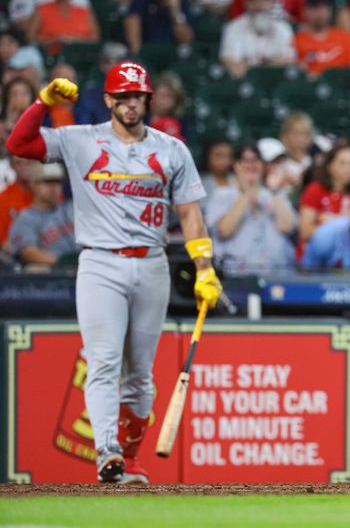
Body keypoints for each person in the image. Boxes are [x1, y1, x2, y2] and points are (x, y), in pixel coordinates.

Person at [5, 62, 222, 484]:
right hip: (100, 261)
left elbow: (190, 215)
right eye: (121, 97)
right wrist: (43, 102)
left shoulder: (171, 149)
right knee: (103, 362)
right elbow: (19, 143)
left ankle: (133, 458)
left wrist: (204, 269)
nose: (128, 103)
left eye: (135, 96)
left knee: (140, 374)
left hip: (152, 263)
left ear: (147, 99)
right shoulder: (81, 139)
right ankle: (108, 454)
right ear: (108, 100)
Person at [204, 144, 296, 275]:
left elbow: (287, 227)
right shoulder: (222, 194)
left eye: (256, 160)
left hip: (276, 274)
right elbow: (224, 230)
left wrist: (273, 191)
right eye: (246, 160)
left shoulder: (273, 193)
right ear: (236, 165)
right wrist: (246, 193)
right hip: (236, 275)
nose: (252, 165)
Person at [219, 0, 296, 78]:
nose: (260, 4)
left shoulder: (283, 27)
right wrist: (269, 63)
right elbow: (231, 63)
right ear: (247, 4)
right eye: (254, 0)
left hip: (274, 80)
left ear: (271, 3)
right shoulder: (233, 27)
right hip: (244, 80)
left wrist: (249, 65)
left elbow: (288, 60)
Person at [6, 162, 77, 267]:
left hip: (83, 268)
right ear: (33, 184)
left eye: (57, 182)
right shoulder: (25, 218)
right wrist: (65, 262)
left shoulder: (71, 208)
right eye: (47, 182)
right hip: (53, 274)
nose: (53, 187)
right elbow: (29, 253)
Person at [297, 145, 350, 246]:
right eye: (342, 163)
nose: (349, 168)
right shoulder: (315, 190)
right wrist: (343, 220)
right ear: (329, 165)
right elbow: (305, 232)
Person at [123, 0, 194, 54]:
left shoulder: (182, 1)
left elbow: (186, 40)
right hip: (146, 50)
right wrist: (138, 53)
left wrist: (176, 11)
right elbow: (132, 23)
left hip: (174, 53)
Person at [294, 0, 350, 76]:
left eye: (324, 6)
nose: (320, 11)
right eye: (314, 7)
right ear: (304, 11)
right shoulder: (296, 40)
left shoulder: (345, 37)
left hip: (341, 85)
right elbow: (295, 70)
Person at [0, 155, 36, 246]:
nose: (24, 167)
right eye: (19, 163)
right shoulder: (3, 198)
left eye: (29, 162)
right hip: (19, 255)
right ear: (11, 165)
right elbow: (3, 242)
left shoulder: (46, 192)